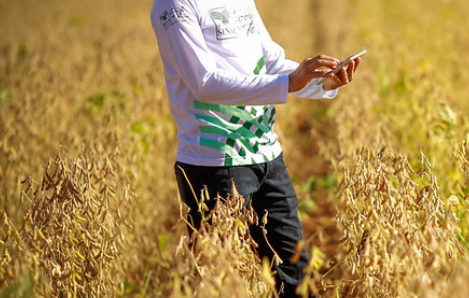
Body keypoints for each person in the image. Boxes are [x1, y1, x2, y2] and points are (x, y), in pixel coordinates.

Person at [149, 0, 360, 297]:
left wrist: (321, 83)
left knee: (297, 276)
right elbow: (204, 82)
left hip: (267, 155)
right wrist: (288, 82)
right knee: (216, 280)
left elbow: (272, 62)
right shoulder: (174, 6)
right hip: (215, 163)